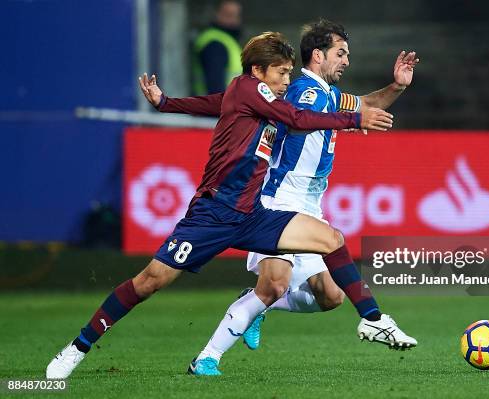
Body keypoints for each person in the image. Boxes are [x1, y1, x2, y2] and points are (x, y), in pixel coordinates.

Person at [45, 31, 396, 379]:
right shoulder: (250, 89)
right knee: (149, 281)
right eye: (282, 73)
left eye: (290, 72)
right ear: (258, 71)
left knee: (331, 239)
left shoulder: (251, 95)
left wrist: (167, 103)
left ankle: (373, 319)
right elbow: (297, 120)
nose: (287, 80)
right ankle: (77, 348)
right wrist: (353, 119)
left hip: (252, 214)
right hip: (214, 213)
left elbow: (214, 102)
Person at [192, 19, 419, 375]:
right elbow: (300, 117)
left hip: (309, 205)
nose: (346, 61)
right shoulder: (303, 91)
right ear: (317, 55)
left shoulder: (326, 93)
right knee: (274, 284)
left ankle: (255, 306)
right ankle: (207, 358)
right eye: (340, 53)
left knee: (331, 296)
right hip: (279, 200)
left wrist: (397, 86)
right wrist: (350, 121)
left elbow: (363, 103)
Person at [193, 0, 243, 94]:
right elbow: (215, 88)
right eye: (228, 15)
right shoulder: (215, 43)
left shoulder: (227, 40)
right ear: (216, 14)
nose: (233, 20)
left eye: (236, 15)